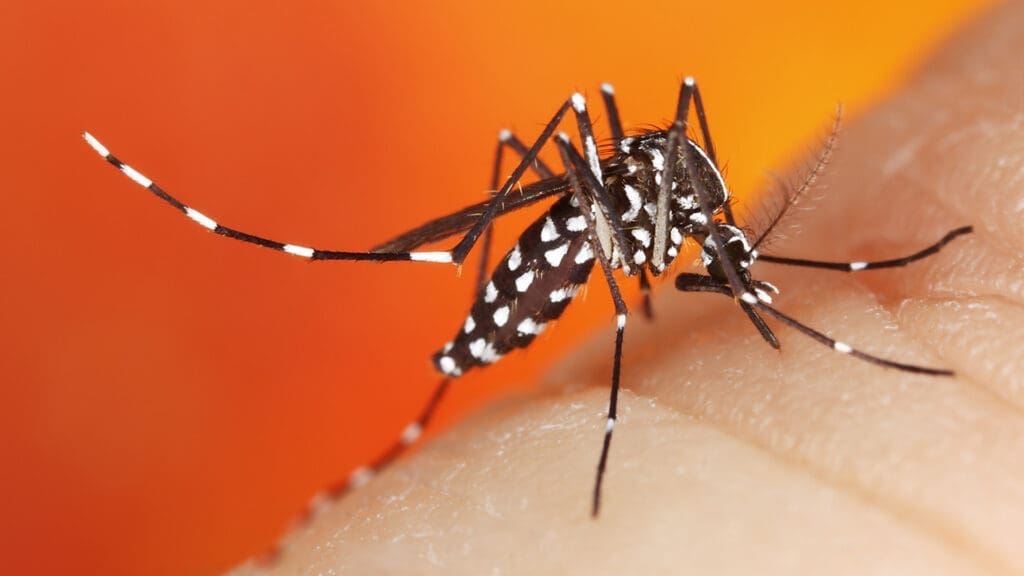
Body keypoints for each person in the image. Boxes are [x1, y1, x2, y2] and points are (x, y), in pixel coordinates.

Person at [234, 3, 1024, 573]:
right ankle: (448, 262)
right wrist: (621, 363)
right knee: (575, 142)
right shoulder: (682, 204)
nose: (725, 262)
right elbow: (625, 191)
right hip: (569, 242)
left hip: (611, 223)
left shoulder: (703, 209)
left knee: (609, 174)